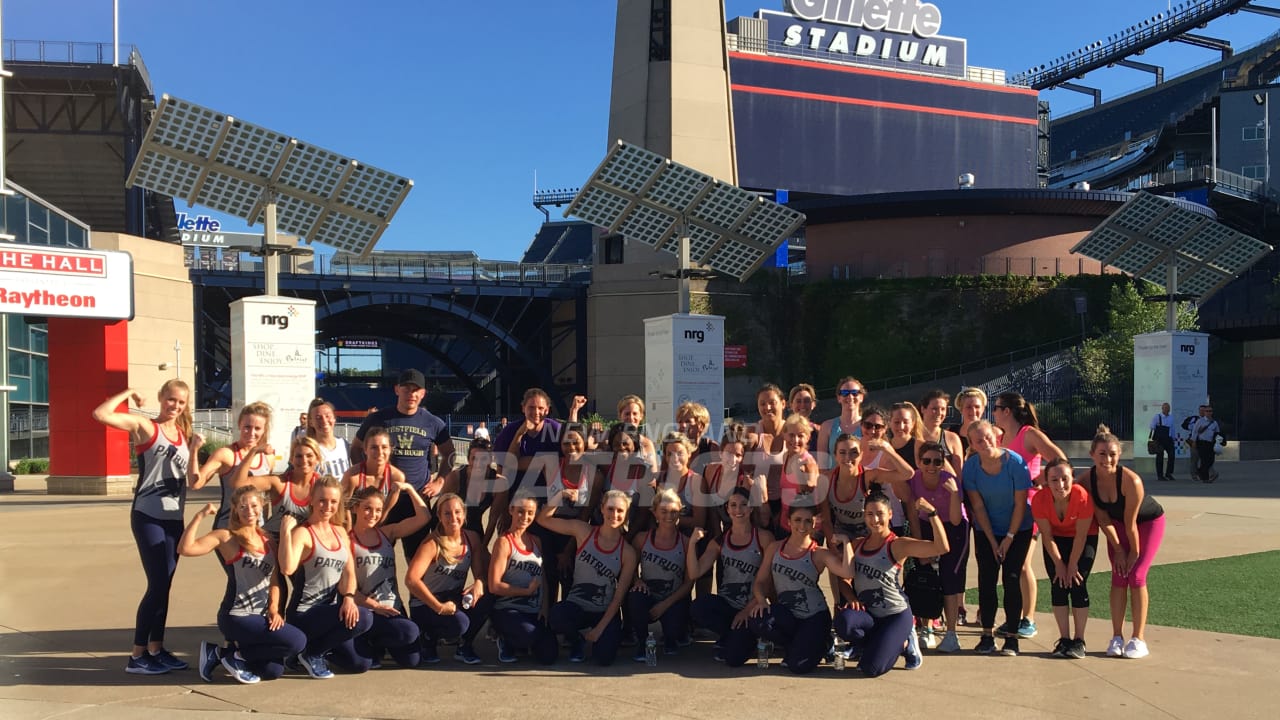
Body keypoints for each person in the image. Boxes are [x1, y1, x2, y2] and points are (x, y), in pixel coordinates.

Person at [93, 381, 203, 675]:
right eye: (170, 400)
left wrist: (194, 451)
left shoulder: (183, 435)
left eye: (180, 402)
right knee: (156, 585)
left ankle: (156, 648)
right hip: (148, 516)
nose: (175, 406)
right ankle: (137, 655)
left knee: (164, 586)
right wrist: (128, 393)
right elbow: (101, 414)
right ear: (160, 398)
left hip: (173, 519)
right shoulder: (145, 426)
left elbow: (192, 481)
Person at [179, 487, 306, 684]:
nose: (249, 511)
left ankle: (221, 653)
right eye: (243, 506)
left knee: (272, 671)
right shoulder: (226, 537)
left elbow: (274, 580)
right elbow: (185, 549)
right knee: (297, 641)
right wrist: (199, 516)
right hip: (237, 615)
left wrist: (274, 609)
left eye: (254, 506)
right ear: (236, 509)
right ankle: (233, 656)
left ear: (262, 507)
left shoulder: (269, 540)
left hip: (261, 615)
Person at [835, 490, 950, 676]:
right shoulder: (857, 544)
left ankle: (905, 643)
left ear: (890, 514)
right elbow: (843, 578)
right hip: (870, 615)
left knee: (871, 669)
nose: (875, 520)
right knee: (844, 622)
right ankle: (866, 644)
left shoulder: (897, 545)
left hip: (895, 615)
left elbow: (941, 547)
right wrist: (850, 596)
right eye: (870, 514)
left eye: (880, 514)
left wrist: (932, 513)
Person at [278, 477, 374, 678]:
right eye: (322, 500)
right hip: (305, 614)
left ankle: (307, 651)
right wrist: (286, 532)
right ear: (311, 499)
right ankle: (312, 653)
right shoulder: (303, 533)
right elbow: (287, 568)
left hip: (329, 614)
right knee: (364, 617)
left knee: (360, 664)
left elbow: (349, 572)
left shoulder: (340, 532)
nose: (327, 506)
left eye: (333, 502)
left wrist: (348, 598)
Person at [742, 504, 854, 674]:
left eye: (808, 521)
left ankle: (824, 643)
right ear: (788, 522)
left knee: (798, 666)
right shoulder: (775, 547)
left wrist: (846, 542)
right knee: (758, 620)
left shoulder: (819, 553)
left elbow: (847, 571)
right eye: (797, 520)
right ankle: (797, 645)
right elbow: (760, 581)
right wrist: (761, 600)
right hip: (788, 614)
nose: (802, 526)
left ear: (814, 524)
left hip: (813, 616)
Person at [353, 369, 453, 560]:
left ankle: (416, 591)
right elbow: (356, 448)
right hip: (383, 499)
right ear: (397, 389)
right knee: (373, 557)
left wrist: (440, 480)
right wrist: (366, 478)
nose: (411, 394)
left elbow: (450, 452)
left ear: (423, 393)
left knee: (418, 560)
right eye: (406, 389)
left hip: (416, 499)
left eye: (416, 390)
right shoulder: (378, 419)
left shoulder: (433, 423)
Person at [1084, 425, 1165, 659]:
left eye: (1112, 454)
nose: (1107, 459)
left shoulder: (1132, 481)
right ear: (1092, 455)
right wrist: (1118, 549)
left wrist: (1131, 553)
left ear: (1119, 456)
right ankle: (1117, 637)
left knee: (1136, 574)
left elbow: (1132, 524)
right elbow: (1102, 518)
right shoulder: (1087, 480)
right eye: (1101, 454)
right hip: (1115, 525)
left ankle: (1138, 638)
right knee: (1119, 575)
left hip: (1147, 523)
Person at [993, 391, 1068, 641]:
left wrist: (1038, 480)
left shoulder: (1029, 434)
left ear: (1007, 411)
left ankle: (1029, 619)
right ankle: (1014, 617)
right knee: (1011, 566)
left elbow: (1059, 460)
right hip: (1006, 509)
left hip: (1029, 509)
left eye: (996, 408)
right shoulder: (1001, 436)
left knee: (1023, 563)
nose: (993, 413)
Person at [540, 488, 638, 665]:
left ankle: (596, 638)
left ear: (626, 514)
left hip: (604, 611)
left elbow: (618, 597)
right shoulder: (583, 531)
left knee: (604, 659)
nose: (614, 514)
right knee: (558, 615)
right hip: (577, 606)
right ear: (601, 509)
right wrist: (560, 495)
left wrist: (599, 630)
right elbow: (543, 519)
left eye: (620, 510)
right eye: (610, 508)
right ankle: (576, 640)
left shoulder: (628, 552)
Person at [963, 420, 1034, 656]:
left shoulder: (1015, 463)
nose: (985, 443)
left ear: (996, 436)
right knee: (987, 580)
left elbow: (1020, 504)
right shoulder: (971, 467)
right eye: (978, 440)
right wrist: (993, 541)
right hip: (987, 531)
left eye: (988, 437)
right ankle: (986, 635)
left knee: (1012, 578)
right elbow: (978, 507)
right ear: (972, 444)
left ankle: (1012, 638)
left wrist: (1009, 537)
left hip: (1018, 529)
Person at [687, 487, 775, 661]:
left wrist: (746, 611)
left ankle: (749, 638)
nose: (738, 510)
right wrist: (691, 544)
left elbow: (769, 582)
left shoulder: (763, 538)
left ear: (751, 508)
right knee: (698, 607)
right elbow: (694, 572)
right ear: (727, 509)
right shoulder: (720, 540)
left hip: (753, 606)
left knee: (733, 659)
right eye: (733, 505)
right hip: (728, 605)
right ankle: (730, 634)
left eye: (743, 505)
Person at [404, 493, 494, 664]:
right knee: (459, 623)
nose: (453, 517)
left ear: (464, 514)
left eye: (457, 512)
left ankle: (464, 646)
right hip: (426, 603)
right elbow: (411, 580)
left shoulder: (472, 538)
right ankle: (428, 637)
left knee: (488, 595)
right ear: (439, 516)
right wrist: (438, 607)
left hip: (453, 597)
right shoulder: (431, 544)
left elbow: (479, 573)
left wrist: (479, 584)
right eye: (447, 513)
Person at [348, 483, 431, 669]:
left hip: (392, 608)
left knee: (413, 660)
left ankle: (380, 642)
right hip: (367, 611)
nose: (372, 514)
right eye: (367, 508)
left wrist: (409, 489)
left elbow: (424, 517)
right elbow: (348, 589)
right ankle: (366, 638)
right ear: (355, 508)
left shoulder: (387, 533)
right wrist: (375, 606)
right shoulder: (347, 541)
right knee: (364, 662)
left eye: (378, 510)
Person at [1031, 458, 1097, 659]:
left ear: (1073, 478)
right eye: (1054, 480)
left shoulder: (1082, 497)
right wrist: (1059, 564)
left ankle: (1079, 640)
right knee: (1058, 584)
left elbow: (1081, 536)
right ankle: (1064, 639)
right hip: (1056, 540)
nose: (1060, 485)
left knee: (1077, 583)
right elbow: (1047, 536)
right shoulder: (1039, 500)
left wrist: (1072, 565)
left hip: (1083, 538)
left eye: (1065, 479)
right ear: (1047, 481)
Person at [906, 441, 968, 653]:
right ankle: (927, 629)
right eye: (927, 461)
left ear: (943, 464)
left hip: (953, 528)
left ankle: (951, 634)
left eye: (937, 461)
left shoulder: (950, 480)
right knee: (925, 575)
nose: (931, 465)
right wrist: (919, 547)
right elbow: (913, 516)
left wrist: (953, 495)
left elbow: (956, 520)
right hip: (926, 525)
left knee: (949, 577)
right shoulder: (914, 479)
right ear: (919, 462)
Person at [488, 490, 557, 664]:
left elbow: (542, 579)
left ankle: (525, 642)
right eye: (520, 511)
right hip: (508, 608)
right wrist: (525, 592)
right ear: (511, 510)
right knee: (528, 634)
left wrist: (545, 607)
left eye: (530, 513)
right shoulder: (504, 542)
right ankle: (503, 637)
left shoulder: (536, 541)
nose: (524, 517)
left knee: (549, 656)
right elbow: (494, 586)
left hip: (534, 610)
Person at [625, 489, 695, 658]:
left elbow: (689, 583)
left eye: (674, 512)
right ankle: (642, 642)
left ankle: (672, 638)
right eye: (663, 511)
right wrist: (636, 581)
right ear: (654, 512)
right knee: (635, 596)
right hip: (649, 594)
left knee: (674, 626)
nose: (668, 516)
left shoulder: (686, 542)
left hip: (674, 598)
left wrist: (665, 604)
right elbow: (629, 568)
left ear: (680, 512)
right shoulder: (642, 539)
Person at [193, 402, 273, 531]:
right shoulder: (226, 454)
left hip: (256, 529)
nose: (251, 432)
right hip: (228, 528)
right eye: (247, 426)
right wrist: (194, 450)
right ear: (239, 425)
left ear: (264, 430)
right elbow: (195, 483)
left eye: (257, 428)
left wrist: (265, 527)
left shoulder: (268, 458)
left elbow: (265, 498)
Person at [235, 436, 321, 541]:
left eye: (309, 456)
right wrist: (254, 451)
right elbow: (239, 483)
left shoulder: (321, 487)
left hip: (302, 546)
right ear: (291, 459)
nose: (304, 460)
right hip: (272, 543)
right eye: (298, 456)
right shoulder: (279, 482)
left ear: (318, 459)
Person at [440, 437, 506, 545]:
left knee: (480, 560)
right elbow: (442, 511)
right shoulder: (454, 477)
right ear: (468, 459)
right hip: (449, 525)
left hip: (475, 528)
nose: (478, 463)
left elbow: (493, 519)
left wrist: (483, 547)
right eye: (474, 458)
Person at [340, 427, 405, 511]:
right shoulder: (352, 476)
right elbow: (343, 509)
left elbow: (386, 511)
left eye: (384, 447)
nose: (380, 452)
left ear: (390, 450)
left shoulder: (396, 477)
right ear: (365, 449)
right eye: (374, 447)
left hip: (382, 522)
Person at [656, 433, 706, 533]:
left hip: (688, 538)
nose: (675, 459)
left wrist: (668, 519)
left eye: (680, 454)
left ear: (689, 453)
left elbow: (699, 522)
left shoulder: (696, 481)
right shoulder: (659, 479)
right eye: (670, 454)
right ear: (665, 456)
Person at [817, 377, 866, 467]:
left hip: (861, 478)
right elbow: (822, 465)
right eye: (845, 393)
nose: (850, 397)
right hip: (833, 479)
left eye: (854, 393)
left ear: (861, 397)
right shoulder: (827, 426)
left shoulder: (869, 426)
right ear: (839, 398)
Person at [918, 390, 964, 472]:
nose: (939, 413)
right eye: (934, 409)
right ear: (923, 409)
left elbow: (958, 475)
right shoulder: (912, 436)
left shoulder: (952, 438)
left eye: (943, 409)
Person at [307, 399, 350, 480]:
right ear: (311, 422)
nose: (324, 421)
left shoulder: (343, 444)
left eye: (327, 416)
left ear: (334, 418)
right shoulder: (309, 449)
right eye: (318, 417)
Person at [676, 400, 720, 468]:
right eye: (680, 421)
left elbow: (718, 475)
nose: (683, 425)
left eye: (688, 421)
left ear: (701, 426)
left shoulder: (711, 448)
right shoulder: (672, 448)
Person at [1191, 405, 1223, 483]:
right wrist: (1194, 441)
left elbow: (1217, 433)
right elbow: (1195, 432)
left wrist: (1218, 442)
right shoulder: (1200, 421)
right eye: (1207, 411)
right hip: (1202, 443)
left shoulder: (1214, 422)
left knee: (1210, 460)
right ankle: (1205, 478)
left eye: (1210, 411)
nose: (1208, 413)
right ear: (1204, 412)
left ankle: (1199, 471)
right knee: (1204, 460)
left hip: (1210, 443)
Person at [888, 401, 923, 471]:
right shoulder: (884, 446)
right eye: (896, 422)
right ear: (889, 423)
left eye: (905, 422)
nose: (901, 427)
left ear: (913, 424)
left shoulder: (920, 446)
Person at [1148, 402, 1176, 482]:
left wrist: (1173, 438)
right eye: (1166, 408)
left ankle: (1169, 473)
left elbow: (1172, 428)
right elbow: (1152, 426)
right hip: (1159, 440)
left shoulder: (1171, 418)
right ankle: (1160, 475)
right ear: (1162, 409)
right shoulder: (1157, 417)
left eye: (1168, 408)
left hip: (1168, 439)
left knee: (1172, 455)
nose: (1167, 410)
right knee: (1160, 457)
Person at [787, 384, 819, 452]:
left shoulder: (819, 432)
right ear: (791, 405)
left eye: (806, 401)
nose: (803, 405)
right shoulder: (784, 430)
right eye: (798, 401)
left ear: (813, 404)